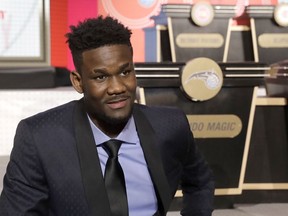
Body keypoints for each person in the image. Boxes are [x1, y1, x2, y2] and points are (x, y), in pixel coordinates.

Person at [0, 15, 214, 215]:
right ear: (78, 81)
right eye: (101, 77)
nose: (117, 87)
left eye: (125, 72)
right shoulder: (40, 138)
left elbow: (200, 182)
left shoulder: (169, 125)